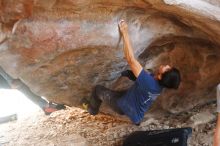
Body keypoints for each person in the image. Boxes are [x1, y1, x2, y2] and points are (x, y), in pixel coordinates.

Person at [84, 20, 181, 125]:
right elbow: (143, 84)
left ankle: (92, 110)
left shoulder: (149, 82)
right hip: (136, 110)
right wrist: (130, 75)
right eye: (169, 67)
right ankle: (137, 120)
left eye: (167, 69)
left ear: (162, 77)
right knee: (128, 93)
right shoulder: (159, 85)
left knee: (98, 90)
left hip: (122, 106)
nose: (167, 66)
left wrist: (125, 32)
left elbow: (130, 59)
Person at [0, 66, 65, 115]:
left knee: (22, 84)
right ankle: (46, 106)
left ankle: (47, 105)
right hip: (7, 79)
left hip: (7, 77)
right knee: (19, 84)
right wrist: (10, 80)